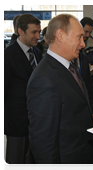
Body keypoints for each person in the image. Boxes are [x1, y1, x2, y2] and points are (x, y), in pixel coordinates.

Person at [26, 14, 93, 170]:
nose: (83, 44)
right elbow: (43, 143)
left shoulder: (68, 66)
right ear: (60, 35)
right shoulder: (44, 79)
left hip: (82, 156)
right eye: (79, 37)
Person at [4, 13, 42, 170]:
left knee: (30, 161)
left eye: (39, 32)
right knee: (16, 162)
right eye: (34, 32)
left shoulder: (37, 52)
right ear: (20, 31)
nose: (38, 36)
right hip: (16, 122)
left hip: (34, 120)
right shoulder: (7, 55)